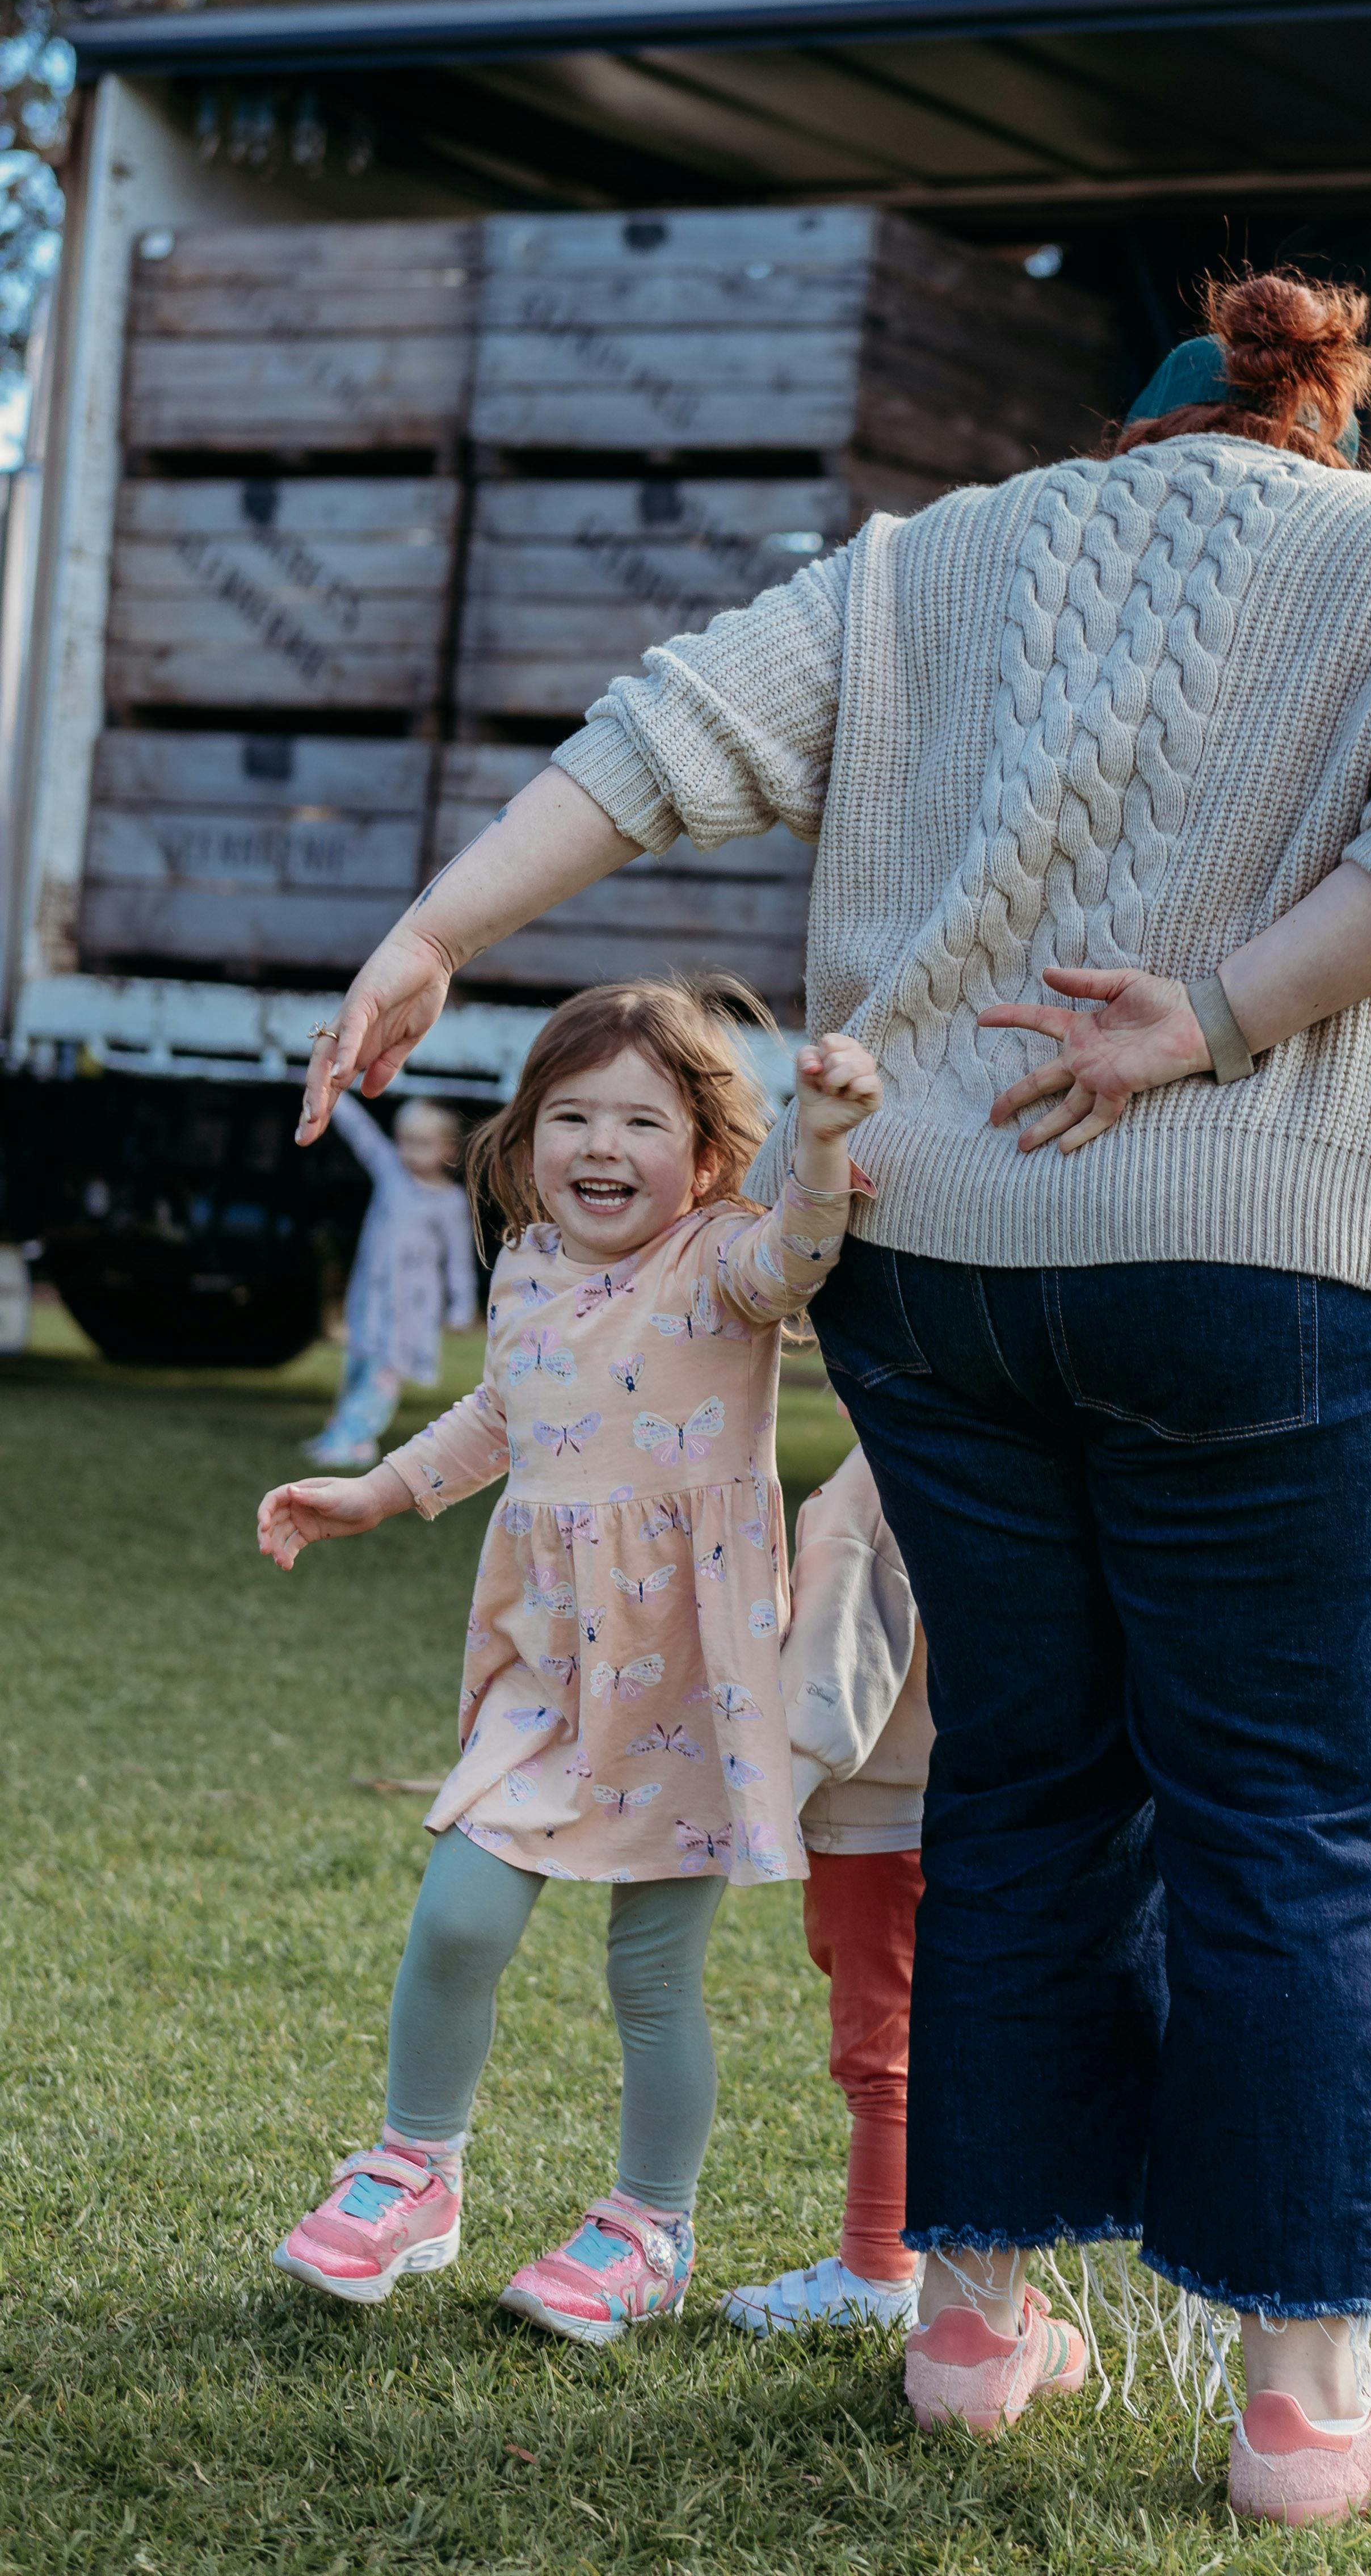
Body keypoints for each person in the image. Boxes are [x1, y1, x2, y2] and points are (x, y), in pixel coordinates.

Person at [293, 268, 1371, 2525]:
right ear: (1314, 433)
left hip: (938, 1262)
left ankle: (972, 2325)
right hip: (1272, 1261)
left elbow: (661, 738)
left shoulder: (933, 563)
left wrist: (436, 926)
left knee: (1019, 1776)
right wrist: (1201, 1013)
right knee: (1283, 1812)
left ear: (1132, 439)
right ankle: (1300, 2401)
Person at [255, 978, 883, 2343]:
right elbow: (501, 1409)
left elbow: (799, 1260)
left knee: (652, 1976)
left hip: (685, 1679)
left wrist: (822, 1141)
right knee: (458, 1916)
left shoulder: (720, 1254)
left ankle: (648, 2224)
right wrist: (374, 1491)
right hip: (550, 1662)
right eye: (571, 1116)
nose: (602, 1147)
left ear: (708, 1154)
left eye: (640, 1121)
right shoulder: (530, 1262)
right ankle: (415, 2167)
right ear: (527, 1136)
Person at [724, 1438, 934, 2339]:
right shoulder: (978, 1448)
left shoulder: (874, 1481)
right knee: (932, 2032)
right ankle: (949, 2258)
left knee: (883, 2045)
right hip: (955, 1799)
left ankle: (879, 2269)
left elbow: (832, 1671)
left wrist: (763, 1810)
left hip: (881, 1814)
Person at [305, 1092, 477, 1468]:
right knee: (358, 1366)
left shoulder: (449, 1203)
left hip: (410, 1307)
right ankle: (349, 1435)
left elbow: (458, 1260)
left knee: (383, 1376)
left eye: (423, 1144)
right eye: (405, 1141)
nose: (410, 1152)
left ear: (447, 1149)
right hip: (372, 1297)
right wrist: (333, 1092)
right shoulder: (391, 1173)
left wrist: (462, 1305)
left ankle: (351, 1436)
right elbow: (363, 1134)